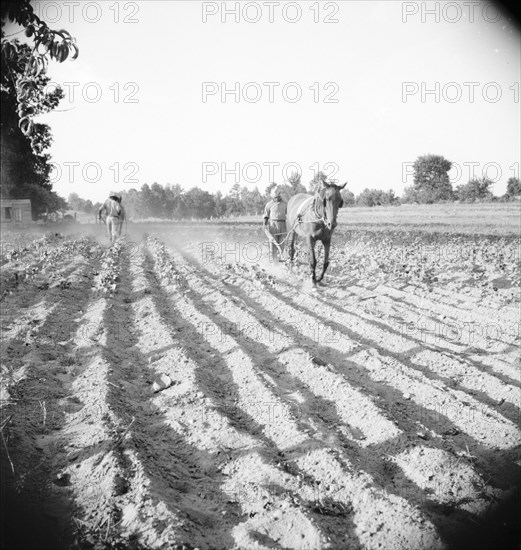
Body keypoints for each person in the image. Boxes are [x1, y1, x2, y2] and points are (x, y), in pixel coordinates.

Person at [263, 185, 287, 261]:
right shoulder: (269, 205)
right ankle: (274, 263)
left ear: (280, 196)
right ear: (273, 196)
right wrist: (264, 225)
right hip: (273, 225)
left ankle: (281, 260)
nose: (277, 198)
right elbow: (266, 216)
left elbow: (289, 214)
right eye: (275, 197)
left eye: (278, 196)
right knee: (273, 245)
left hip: (283, 225)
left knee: (281, 244)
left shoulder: (285, 204)